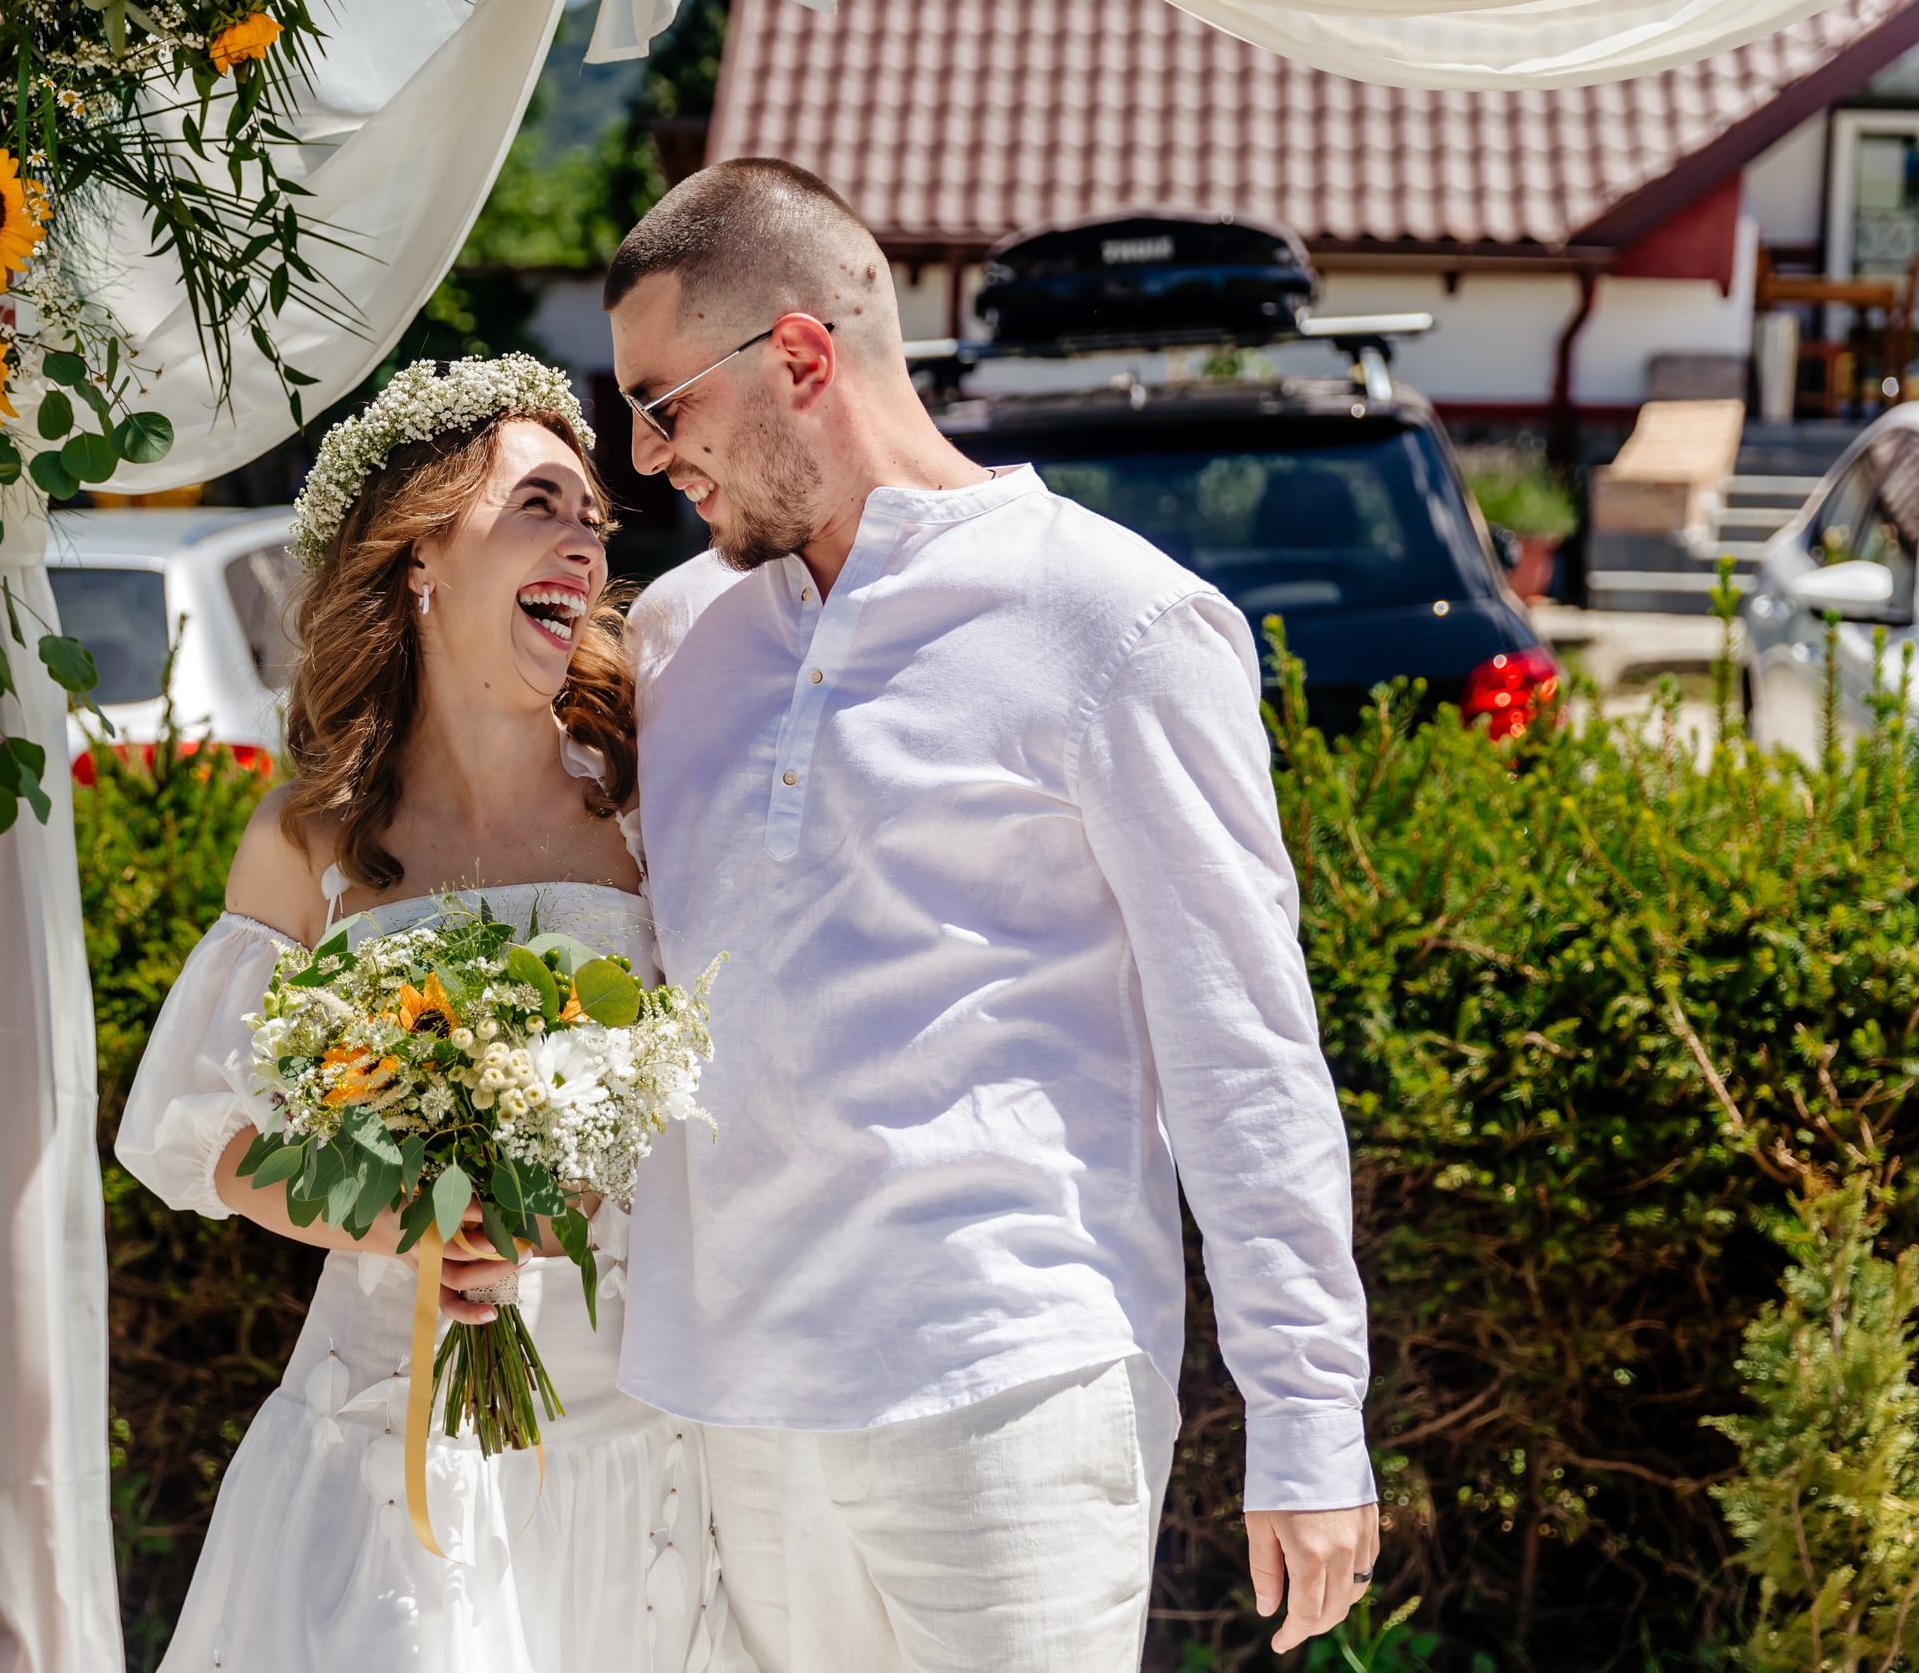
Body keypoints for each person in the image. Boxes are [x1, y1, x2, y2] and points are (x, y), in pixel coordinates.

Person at [604, 157, 1380, 1672]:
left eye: (663, 403)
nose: (643, 458)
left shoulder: (1115, 619)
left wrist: (1308, 1415)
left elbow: (1244, 1045)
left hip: (1007, 1377)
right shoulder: (678, 638)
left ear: (801, 358)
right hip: (730, 1393)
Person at [115, 357, 751, 1673]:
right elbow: (202, 1135)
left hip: (637, 1432)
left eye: (594, 516)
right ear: (419, 558)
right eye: (538, 505)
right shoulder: (317, 839)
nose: (584, 537)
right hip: (400, 1435)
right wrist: (392, 1213)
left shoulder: (647, 803)